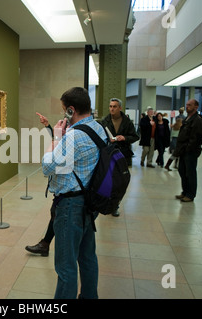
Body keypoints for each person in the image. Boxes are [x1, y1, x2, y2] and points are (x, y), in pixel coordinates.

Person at [42, 87, 106, 299]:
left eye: (64, 110)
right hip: (90, 202)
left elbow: (48, 167)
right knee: (87, 257)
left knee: (66, 266)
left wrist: (55, 140)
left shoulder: (73, 137)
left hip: (71, 206)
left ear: (71, 110)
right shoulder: (99, 128)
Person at [100, 98, 139, 216]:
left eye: (115, 106)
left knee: (119, 182)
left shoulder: (127, 122)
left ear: (120, 108)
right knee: (108, 180)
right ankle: (106, 203)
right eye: (110, 106)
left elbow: (135, 136)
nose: (112, 108)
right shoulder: (105, 121)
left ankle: (115, 205)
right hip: (109, 154)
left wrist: (125, 138)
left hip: (122, 155)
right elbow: (100, 136)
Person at [25, 112, 55, 257]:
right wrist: (47, 125)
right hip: (67, 190)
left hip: (73, 191)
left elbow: (47, 166)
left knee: (57, 213)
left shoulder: (78, 132)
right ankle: (45, 244)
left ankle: (45, 244)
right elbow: (58, 138)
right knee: (55, 213)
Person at [174, 99, 202, 202]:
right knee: (182, 171)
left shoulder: (197, 120)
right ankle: (185, 192)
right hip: (183, 150)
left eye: (190, 105)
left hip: (190, 151)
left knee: (190, 173)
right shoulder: (187, 118)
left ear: (196, 107)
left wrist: (188, 148)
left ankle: (190, 195)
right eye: (186, 105)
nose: (187, 107)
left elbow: (197, 137)